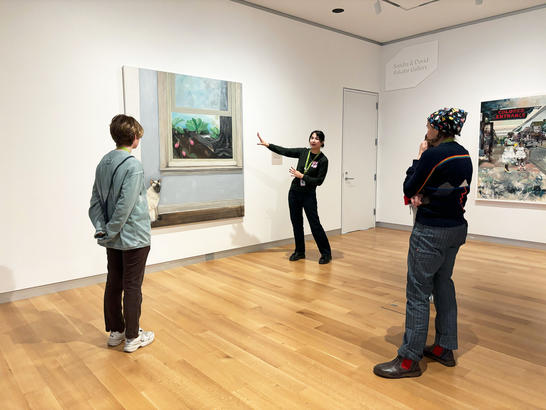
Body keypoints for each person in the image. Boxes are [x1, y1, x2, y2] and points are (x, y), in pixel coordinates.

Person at [374, 108, 473, 378]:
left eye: (429, 125)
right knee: (444, 284)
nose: (426, 129)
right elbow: (452, 191)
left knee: (418, 293)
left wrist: (419, 158)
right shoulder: (464, 154)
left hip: (431, 231)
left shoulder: (432, 154)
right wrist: (426, 196)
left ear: (439, 129)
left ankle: (408, 360)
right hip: (456, 229)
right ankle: (444, 347)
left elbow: (409, 186)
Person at [89, 114, 154, 353]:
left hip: (111, 238)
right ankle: (133, 337)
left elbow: (95, 202)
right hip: (134, 237)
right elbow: (126, 206)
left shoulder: (103, 163)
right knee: (133, 286)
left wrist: (102, 229)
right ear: (134, 138)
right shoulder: (133, 165)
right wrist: (112, 230)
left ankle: (116, 332)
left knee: (114, 282)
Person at [257, 130, 332, 264]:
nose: (313, 140)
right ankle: (299, 251)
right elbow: (285, 151)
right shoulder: (304, 152)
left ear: (322, 142)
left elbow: (319, 181)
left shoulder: (323, 160)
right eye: (312, 137)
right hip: (294, 193)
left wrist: (302, 176)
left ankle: (326, 254)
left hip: (309, 195)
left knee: (315, 224)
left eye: (316, 139)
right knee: (296, 223)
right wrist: (268, 145)